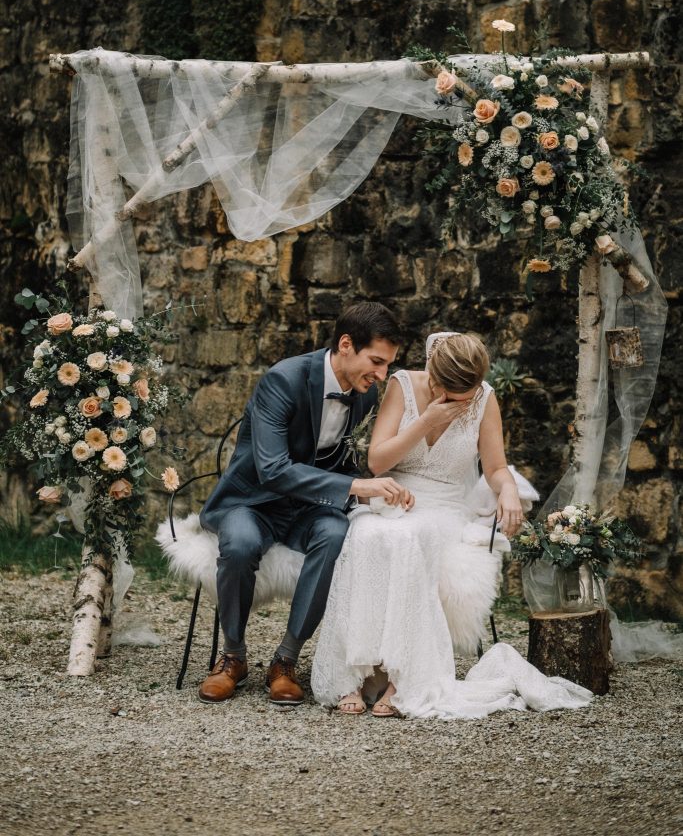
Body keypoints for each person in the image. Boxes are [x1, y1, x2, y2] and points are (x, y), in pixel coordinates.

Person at [311, 331, 593, 718]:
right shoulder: (402, 385)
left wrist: (509, 489)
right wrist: (426, 420)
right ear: (433, 375)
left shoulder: (484, 398)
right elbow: (377, 462)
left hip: (444, 506)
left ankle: (401, 678)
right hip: (392, 492)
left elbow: (495, 467)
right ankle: (356, 673)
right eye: (453, 395)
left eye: (467, 395)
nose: (461, 402)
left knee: (409, 536)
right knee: (366, 533)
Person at [197, 301, 411, 706]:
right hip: (254, 501)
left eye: (387, 365)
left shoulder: (365, 395)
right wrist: (355, 486)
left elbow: (347, 461)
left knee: (336, 531)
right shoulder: (284, 379)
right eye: (377, 362)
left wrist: (373, 490)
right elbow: (273, 470)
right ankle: (233, 657)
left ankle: (285, 661)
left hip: (308, 509)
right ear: (345, 344)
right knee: (240, 543)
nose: (382, 375)